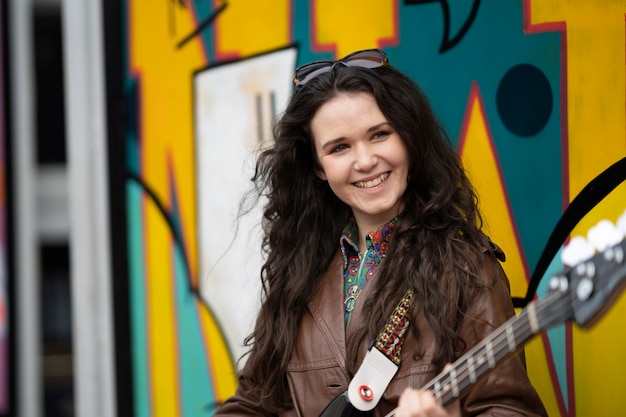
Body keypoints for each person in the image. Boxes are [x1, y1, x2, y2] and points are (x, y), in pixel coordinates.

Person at [214, 49, 547, 417]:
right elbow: (250, 405)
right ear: (318, 167)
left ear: (407, 137)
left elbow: (511, 409)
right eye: (339, 147)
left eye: (379, 135)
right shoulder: (299, 269)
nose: (365, 160)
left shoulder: (466, 268)